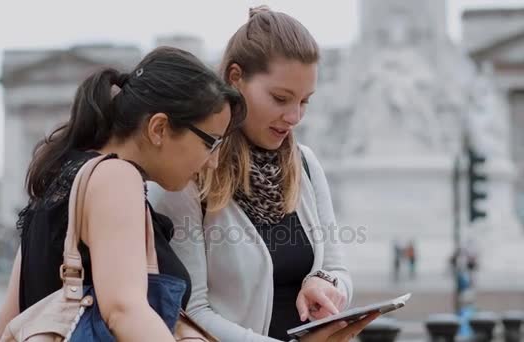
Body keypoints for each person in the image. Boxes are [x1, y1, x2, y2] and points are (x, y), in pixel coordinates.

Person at [0, 46, 245, 341]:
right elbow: (125, 311)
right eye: (211, 143)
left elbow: (7, 325)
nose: (213, 161)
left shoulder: (57, 187)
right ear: (159, 128)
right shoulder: (116, 177)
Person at [150, 6, 367, 341]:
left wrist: (324, 282)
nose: (295, 116)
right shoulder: (188, 171)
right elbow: (189, 313)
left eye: (305, 101)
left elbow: (339, 269)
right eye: (281, 98)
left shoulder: (306, 164)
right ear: (236, 79)